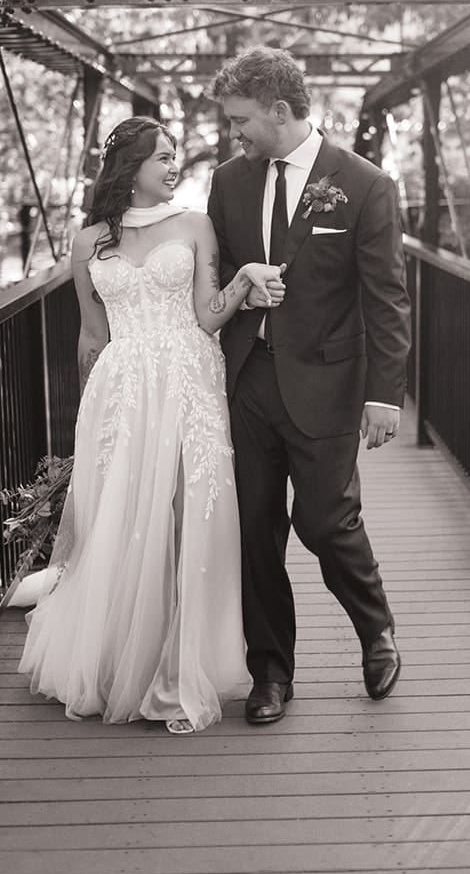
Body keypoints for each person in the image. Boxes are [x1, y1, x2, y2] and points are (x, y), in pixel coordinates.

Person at [18, 116, 284, 734]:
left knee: (188, 517)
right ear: (128, 168)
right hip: (121, 392)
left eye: (173, 158)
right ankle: (119, 666)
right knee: (128, 519)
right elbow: (92, 334)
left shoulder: (194, 225)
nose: (172, 167)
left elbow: (208, 316)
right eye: (161, 158)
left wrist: (244, 281)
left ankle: (176, 669)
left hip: (189, 384)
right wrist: (86, 419)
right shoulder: (87, 242)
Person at [208, 48, 412, 725]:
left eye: (241, 121)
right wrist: (243, 283)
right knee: (254, 531)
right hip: (245, 380)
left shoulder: (363, 184)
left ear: (279, 110)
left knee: (323, 520)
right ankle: (270, 673)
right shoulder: (227, 182)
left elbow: (386, 298)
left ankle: (374, 626)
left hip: (327, 383)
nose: (234, 134)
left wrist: (384, 395)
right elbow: (225, 269)